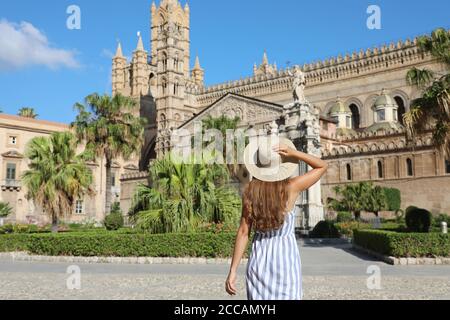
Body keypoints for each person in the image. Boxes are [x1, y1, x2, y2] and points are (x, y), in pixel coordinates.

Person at [225, 136, 328, 300]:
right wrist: (294, 153)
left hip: (259, 261)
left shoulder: (250, 194)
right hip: (285, 261)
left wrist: (233, 271)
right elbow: (322, 166)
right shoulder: (291, 187)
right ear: (279, 165)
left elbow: (243, 233)